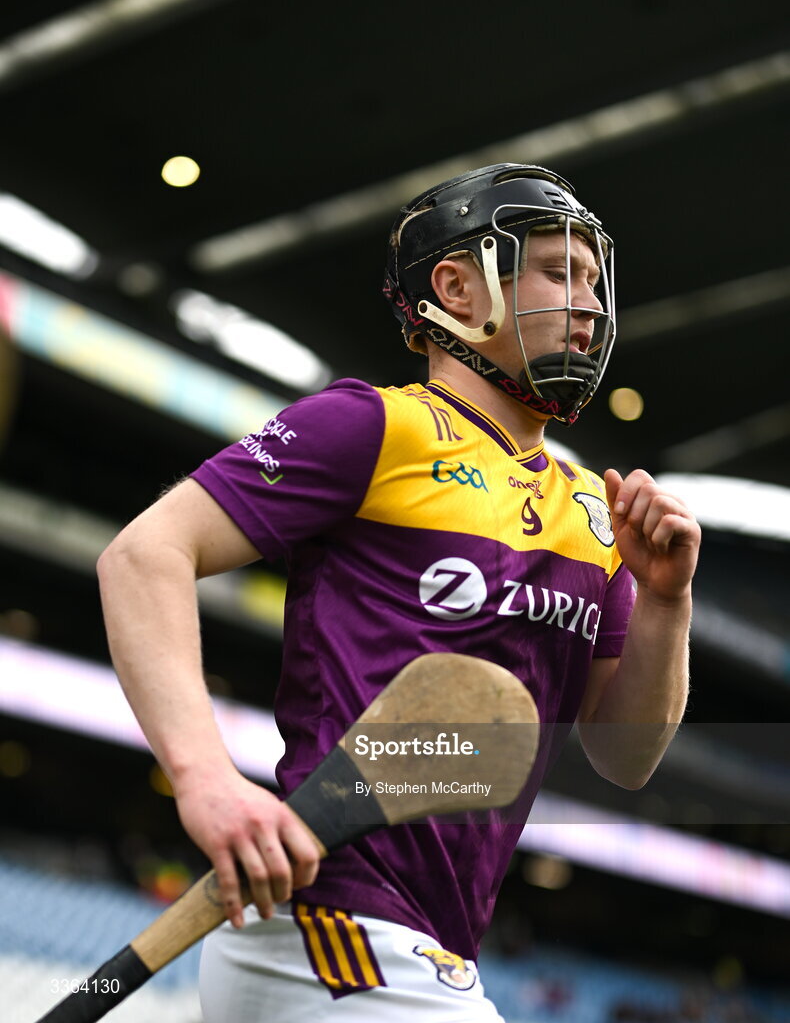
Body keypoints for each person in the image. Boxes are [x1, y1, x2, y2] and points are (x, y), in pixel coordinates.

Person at [97, 163, 700, 1022]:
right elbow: (142, 556)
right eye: (559, 271)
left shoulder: (595, 516)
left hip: (427, 947)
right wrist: (205, 782)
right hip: (332, 920)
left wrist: (668, 601)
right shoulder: (371, 426)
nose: (590, 304)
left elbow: (624, 755)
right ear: (456, 287)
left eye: (596, 283)